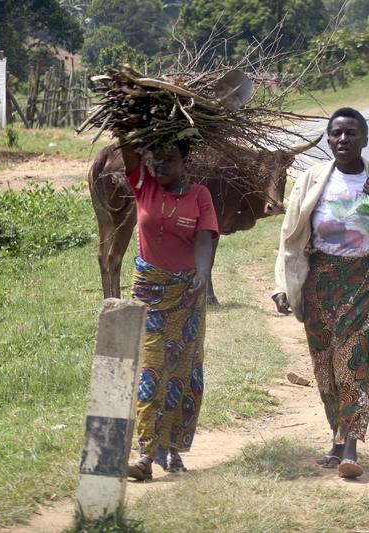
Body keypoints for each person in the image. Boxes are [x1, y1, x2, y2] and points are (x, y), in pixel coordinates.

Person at [272, 107, 369, 479]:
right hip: (319, 280)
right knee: (325, 366)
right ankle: (335, 439)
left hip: (364, 280)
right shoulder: (312, 179)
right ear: (329, 139)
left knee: (354, 360)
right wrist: (283, 286)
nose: (343, 140)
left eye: (351, 133)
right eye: (336, 134)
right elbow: (290, 237)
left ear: (364, 140)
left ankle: (350, 446)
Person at [119, 138, 219, 481]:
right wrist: (138, 116)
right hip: (149, 290)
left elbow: (205, 238)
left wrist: (203, 273)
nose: (160, 167)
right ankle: (145, 455)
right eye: (155, 160)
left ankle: (174, 450)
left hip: (187, 295)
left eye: (169, 160)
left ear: (184, 160)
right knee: (151, 371)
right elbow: (127, 144)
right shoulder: (143, 184)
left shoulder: (199, 196)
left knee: (183, 372)